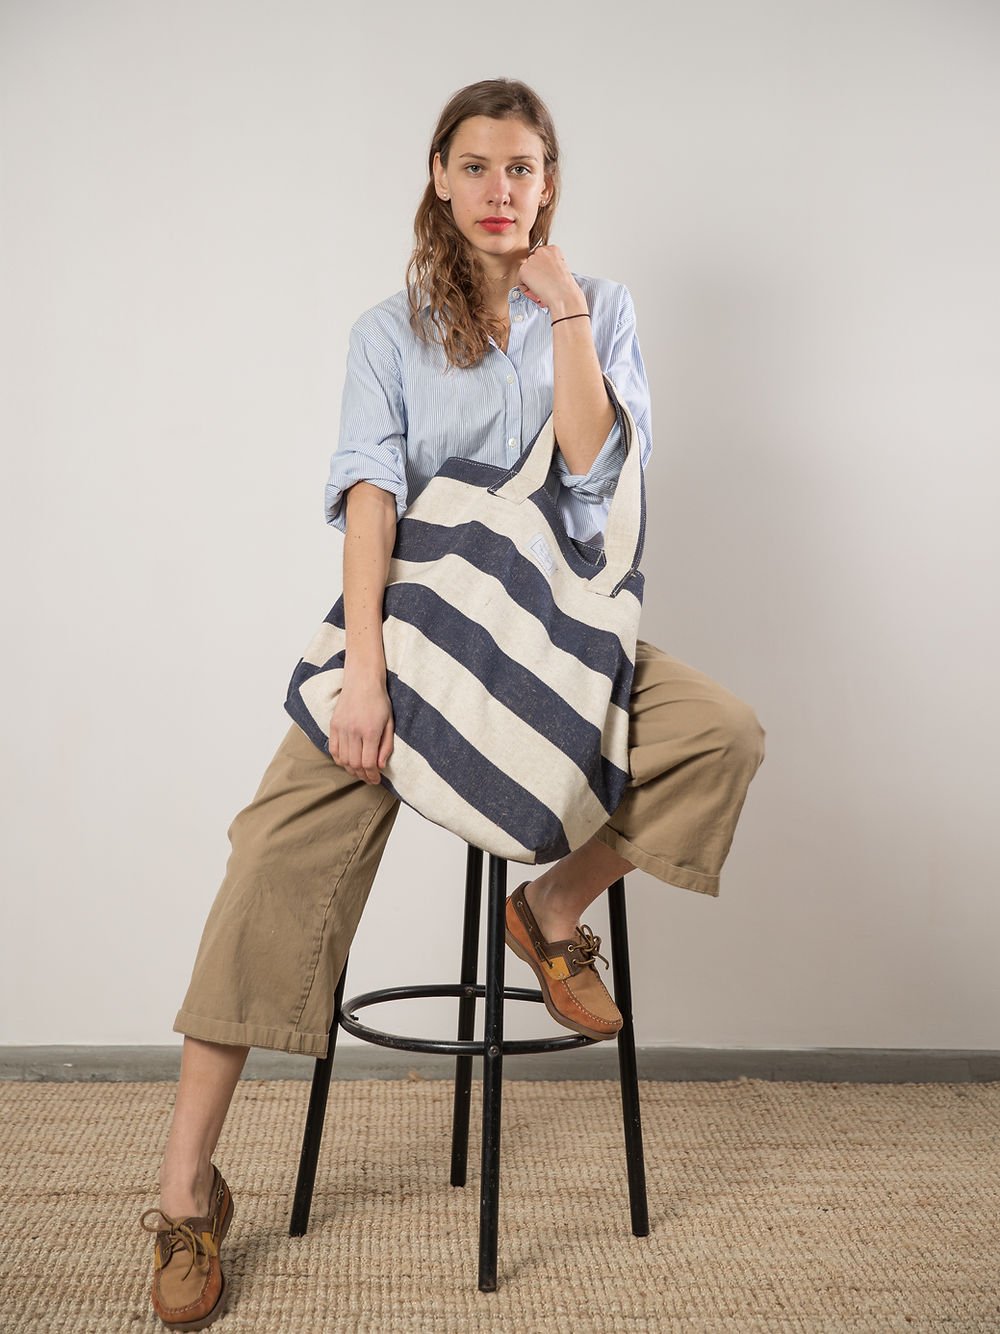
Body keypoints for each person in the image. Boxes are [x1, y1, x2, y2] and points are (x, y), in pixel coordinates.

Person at [140, 77, 766, 1329]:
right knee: (269, 855)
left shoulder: (599, 311)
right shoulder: (390, 330)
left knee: (718, 732)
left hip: (553, 639)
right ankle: (186, 1184)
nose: (499, 191)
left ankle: (550, 906)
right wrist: (361, 671)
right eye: (475, 166)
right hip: (415, 640)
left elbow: (595, 479)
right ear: (437, 174)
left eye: (522, 169)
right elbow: (370, 496)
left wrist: (570, 315)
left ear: (549, 185)